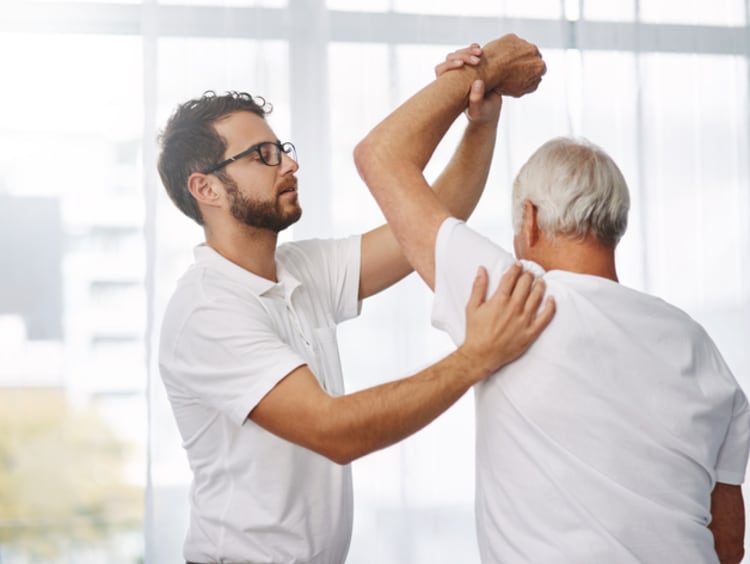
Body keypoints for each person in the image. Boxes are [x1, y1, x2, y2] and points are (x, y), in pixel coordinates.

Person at [355, 33, 750, 564]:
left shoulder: (514, 300)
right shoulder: (697, 344)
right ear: (615, 225)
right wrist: (484, 118)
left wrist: (482, 69)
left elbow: (379, 155)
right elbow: (727, 539)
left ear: (531, 221)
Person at [156, 41, 552, 563]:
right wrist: (475, 357)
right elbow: (334, 430)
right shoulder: (207, 310)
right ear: (205, 188)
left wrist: (480, 122)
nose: (289, 163)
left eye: (284, 147)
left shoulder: (297, 270)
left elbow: (433, 221)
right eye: (263, 155)